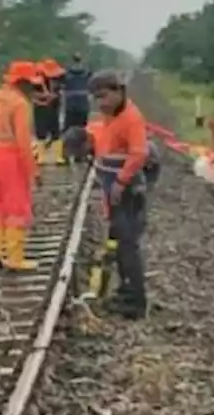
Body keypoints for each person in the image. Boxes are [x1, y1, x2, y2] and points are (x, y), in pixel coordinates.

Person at [90, 71, 150, 319]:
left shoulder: (131, 118)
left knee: (127, 245)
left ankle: (135, 302)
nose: (100, 103)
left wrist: (121, 182)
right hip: (113, 187)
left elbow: (139, 154)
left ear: (118, 91)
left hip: (125, 191)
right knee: (118, 241)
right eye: (97, 98)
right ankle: (125, 291)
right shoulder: (110, 114)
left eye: (104, 96)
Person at [0, 60, 41, 272]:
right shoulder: (19, 104)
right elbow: (23, 142)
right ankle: (15, 258)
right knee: (17, 206)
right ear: (23, 82)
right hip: (11, 158)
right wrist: (33, 170)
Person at [32, 59, 65, 166]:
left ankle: (59, 157)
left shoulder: (57, 79)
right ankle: (40, 157)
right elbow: (32, 94)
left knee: (56, 132)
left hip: (53, 108)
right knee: (40, 132)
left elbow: (59, 92)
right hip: (40, 109)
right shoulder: (37, 80)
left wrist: (54, 96)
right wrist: (45, 97)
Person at [61, 53, 93, 136]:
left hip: (70, 106)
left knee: (68, 130)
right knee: (82, 130)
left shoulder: (66, 74)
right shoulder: (87, 73)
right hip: (83, 106)